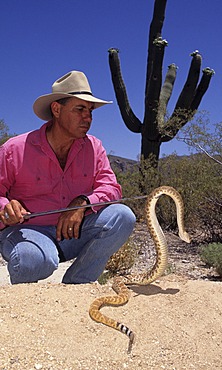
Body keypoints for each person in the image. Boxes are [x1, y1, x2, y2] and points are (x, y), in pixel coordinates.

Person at [0, 70, 136, 284]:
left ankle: (77, 286)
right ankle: (26, 308)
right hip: (27, 233)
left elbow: (111, 188)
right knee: (31, 259)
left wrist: (82, 203)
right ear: (56, 109)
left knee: (123, 216)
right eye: (80, 109)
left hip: (75, 232)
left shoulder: (94, 147)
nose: (88, 117)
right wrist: (5, 208)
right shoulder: (14, 149)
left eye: (90, 110)